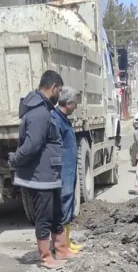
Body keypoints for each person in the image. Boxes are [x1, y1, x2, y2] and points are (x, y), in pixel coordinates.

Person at [8, 70, 76, 269]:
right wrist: (15, 160)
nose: (60, 95)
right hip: (41, 177)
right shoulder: (39, 113)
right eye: (60, 90)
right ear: (53, 88)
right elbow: (32, 146)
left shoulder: (44, 110)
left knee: (57, 213)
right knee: (44, 217)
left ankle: (61, 250)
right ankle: (46, 257)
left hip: (50, 175)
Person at [51, 86, 83, 254]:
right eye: (75, 104)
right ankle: (61, 246)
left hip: (69, 169)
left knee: (69, 203)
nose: (76, 107)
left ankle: (67, 242)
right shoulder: (57, 120)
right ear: (69, 104)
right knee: (63, 205)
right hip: (63, 171)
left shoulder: (63, 119)